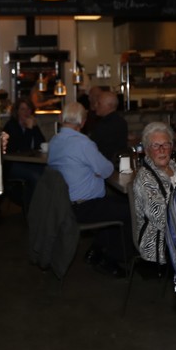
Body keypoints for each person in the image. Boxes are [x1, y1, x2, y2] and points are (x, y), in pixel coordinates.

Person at [47, 101, 130, 277]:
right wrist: (95, 171)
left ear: (61, 118)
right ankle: (110, 259)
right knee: (130, 209)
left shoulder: (54, 141)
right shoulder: (83, 143)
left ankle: (96, 251)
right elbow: (107, 170)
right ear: (83, 122)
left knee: (114, 204)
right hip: (83, 207)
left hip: (63, 204)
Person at [131, 122, 176, 264]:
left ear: (171, 147)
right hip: (159, 242)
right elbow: (162, 220)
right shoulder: (145, 178)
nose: (162, 150)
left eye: (166, 144)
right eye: (155, 146)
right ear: (147, 150)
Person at [88, 89, 130, 161]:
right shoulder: (121, 121)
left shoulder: (104, 124)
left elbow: (92, 146)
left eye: (99, 103)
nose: (95, 105)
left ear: (109, 106)